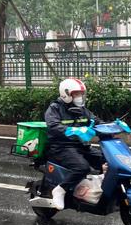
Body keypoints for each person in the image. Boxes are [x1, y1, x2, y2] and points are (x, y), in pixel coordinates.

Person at [45, 78, 106, 210]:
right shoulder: (55, 108)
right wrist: (73, 130)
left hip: (81, 146)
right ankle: (60, 190)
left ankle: (95, 188)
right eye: (76, 94)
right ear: (66, 94)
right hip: (62, 147)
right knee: (82, 167)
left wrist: (112, 126)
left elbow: (96, 121)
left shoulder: (82, 109)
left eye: (81, 94)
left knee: (107, 160)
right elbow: (54, 126)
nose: (79, 97)